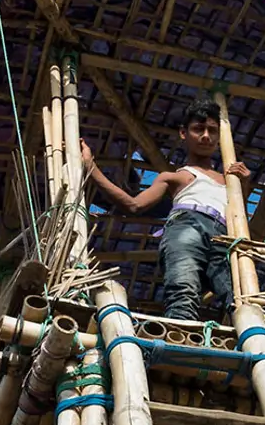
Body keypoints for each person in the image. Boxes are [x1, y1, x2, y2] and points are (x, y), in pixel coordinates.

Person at [81, 97, 252, 321]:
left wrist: (245, 183)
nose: (206, 136)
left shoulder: (230, 181)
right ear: (183, 133)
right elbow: (133, 205)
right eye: (198, 129)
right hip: (187, 226)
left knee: (241, 296)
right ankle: (179, 341)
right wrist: (91, 167)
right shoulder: (174, 176)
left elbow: (240, 216)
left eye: (212, 130)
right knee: (184, 291)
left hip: (224, 236)